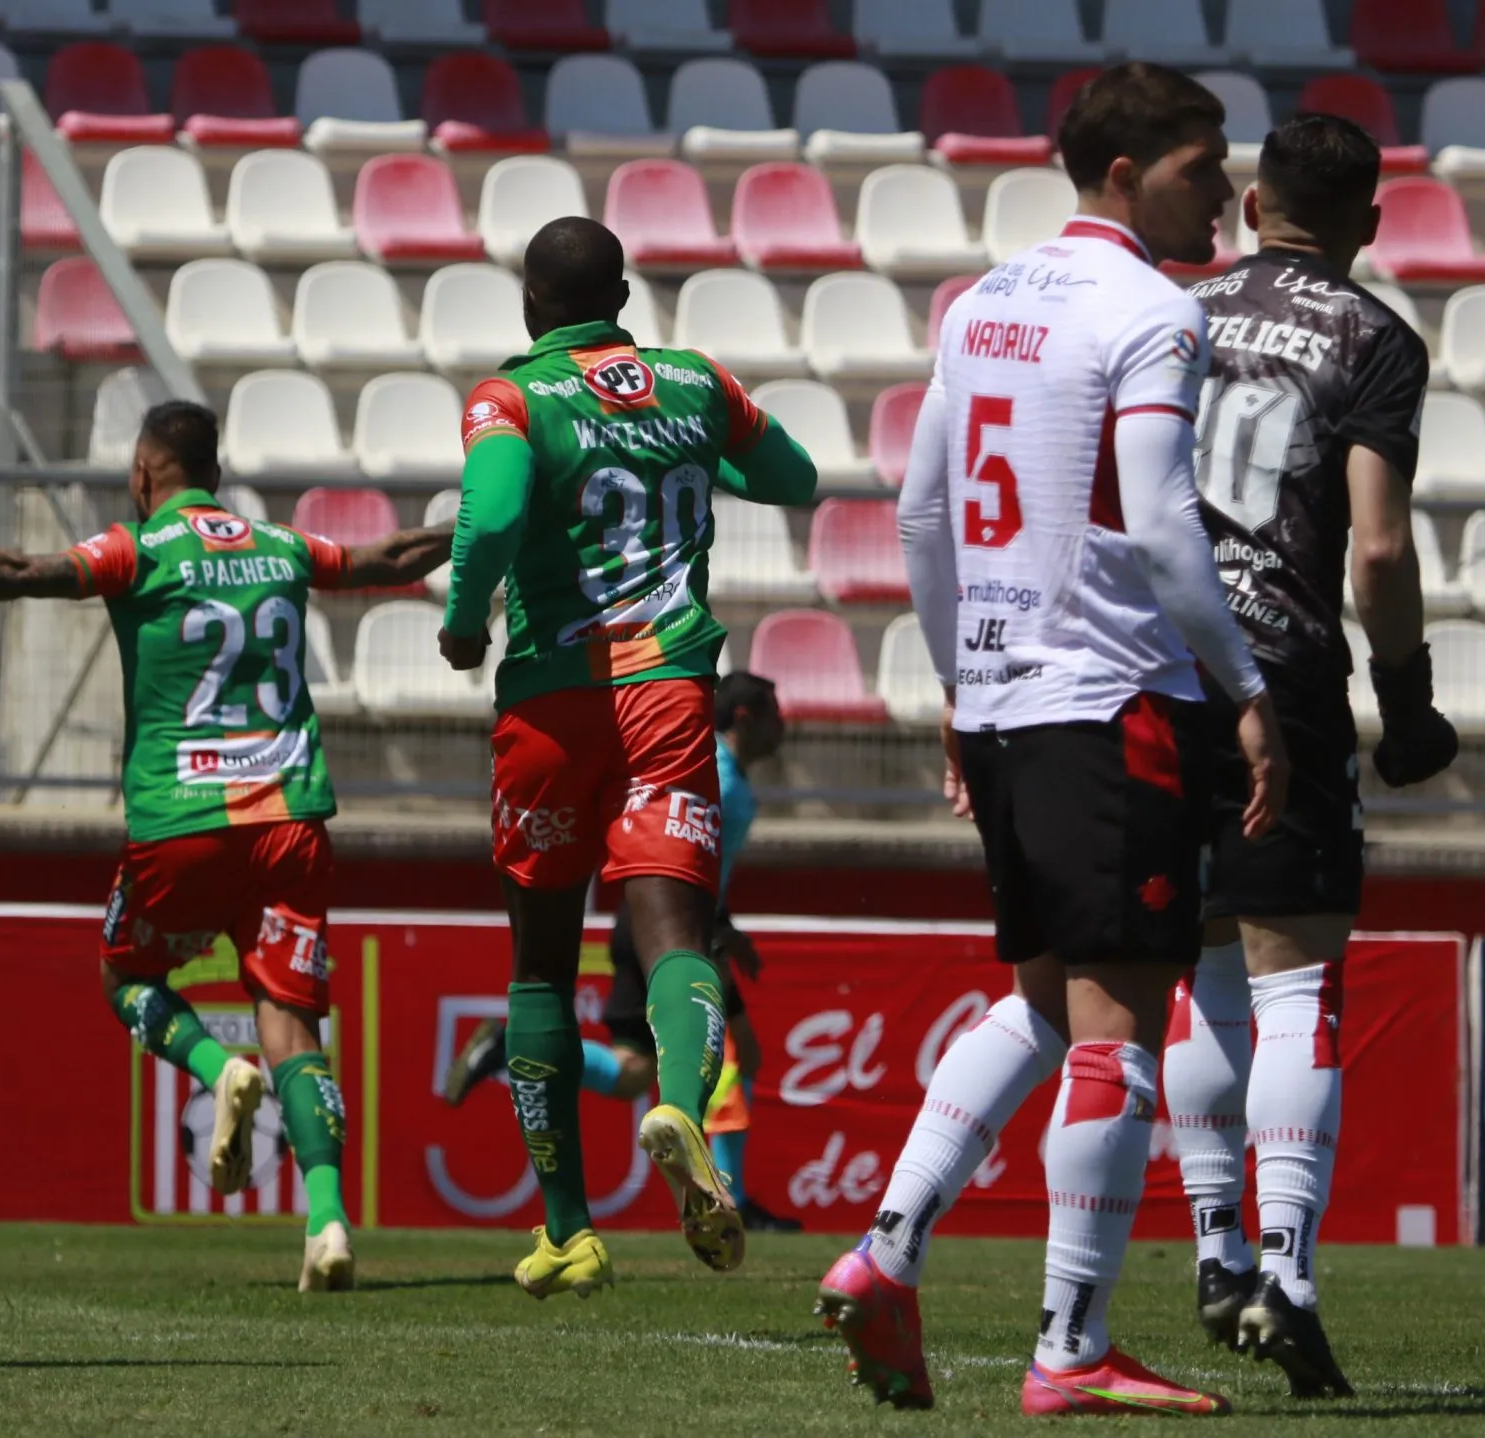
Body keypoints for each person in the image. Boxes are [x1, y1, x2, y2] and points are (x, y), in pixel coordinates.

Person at [816, 63, 1288, 1416]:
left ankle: (888, 1249)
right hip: (1118, 699)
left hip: (1013, 700)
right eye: (1206, 169)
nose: (1227, 198)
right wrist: (1245, 686)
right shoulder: (1153, 310)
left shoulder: (985, 302)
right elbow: (1157, 517)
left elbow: (920, 510)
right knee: (1115, 1031)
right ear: (1131, 175)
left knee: (1038, 999)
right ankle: (1069, 1344)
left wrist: (964, 683)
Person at [0, 401, 450, 1291]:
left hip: (184, 824)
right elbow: (389, 558)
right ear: (215, 466)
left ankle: (215, 1067)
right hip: (291, 825)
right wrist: (482, 520)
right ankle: (326, 1222)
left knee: (126, 977)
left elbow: (18, 570)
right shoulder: (280, 547)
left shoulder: (140, 550)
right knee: (296, 1022)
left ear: (142, 474)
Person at [437, 215, 820, 1299]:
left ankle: (567, 1230)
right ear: (622, 297)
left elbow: (494, 511)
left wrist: (467, 622)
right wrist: (692, 460)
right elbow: (793, 480)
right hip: (666, 693)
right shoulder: (696, 382)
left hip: (554, 706)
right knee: (670, 934)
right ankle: (681, 1111)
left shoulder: (508, 396)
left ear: (531, 303)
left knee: (540, 965)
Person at [1164, 112, 1456, 1400]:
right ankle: (1285, 1271)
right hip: (1281, 673)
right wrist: (1410, 702)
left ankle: (1216, 1253)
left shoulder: (1172, 304)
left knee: (1203, 970)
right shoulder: (1376, 336)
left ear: (1249, 200)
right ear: (1370, 224)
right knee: (1296, 985)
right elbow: (1379, 550)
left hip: (1159, 667)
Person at [437, 671, 800, 1234]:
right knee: (739, 1054)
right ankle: (733, 1196)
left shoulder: (726, 778)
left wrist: (729, 929)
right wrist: (722, 937)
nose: (786, 726)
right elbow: (688, 867)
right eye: (776, 713)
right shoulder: (719, 782)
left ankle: (511, 1049)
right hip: (675, 923)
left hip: (646, 918)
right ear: (747, 718)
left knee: (633, 1072)